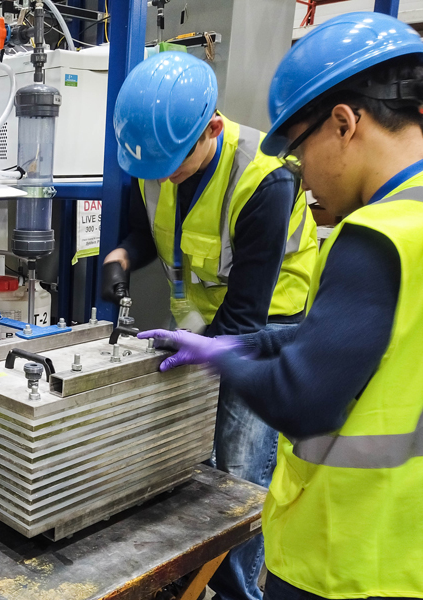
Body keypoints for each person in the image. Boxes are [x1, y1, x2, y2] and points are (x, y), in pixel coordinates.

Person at [138, 12, 423, 600]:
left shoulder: (380, 234)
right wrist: (237, 344)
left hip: (345, 555)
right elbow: (363, 351)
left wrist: (220, 359)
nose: (302, 176)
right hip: (406, 549)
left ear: (344, 124)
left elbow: (301, 399)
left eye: (298, 149)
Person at [103, 51, 318, 600]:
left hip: (266, 327)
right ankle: (197, 579)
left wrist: (202, 353)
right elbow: (145, 232)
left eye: (172, 164)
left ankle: (240, 589)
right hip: (201, 323)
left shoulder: (263, 179)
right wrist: (122, 258)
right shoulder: (157, 159)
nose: (162, 177)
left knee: (240, 469)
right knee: (192, 457)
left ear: (213, 129)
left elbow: (246, 311)